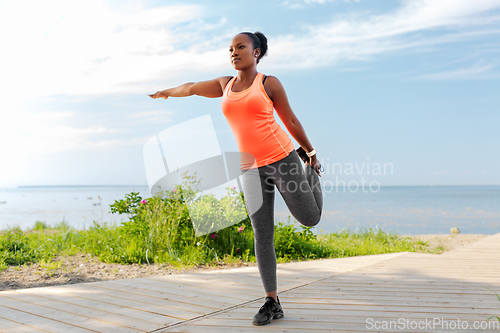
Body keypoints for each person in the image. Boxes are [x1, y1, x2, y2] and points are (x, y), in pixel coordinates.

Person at [149, 31, 323, 326]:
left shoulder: (268, 83)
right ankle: (272, 300)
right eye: (230, 48)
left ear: (256, 52)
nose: (233, 52)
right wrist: (168, 91)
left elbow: (290, 120)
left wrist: (310, 151)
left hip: (283, 159)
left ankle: (310, 170)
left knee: (309, 219)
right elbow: (191, 88)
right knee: (261, 233)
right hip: (250, 168)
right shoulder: (224, 85)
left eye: (240, 47)